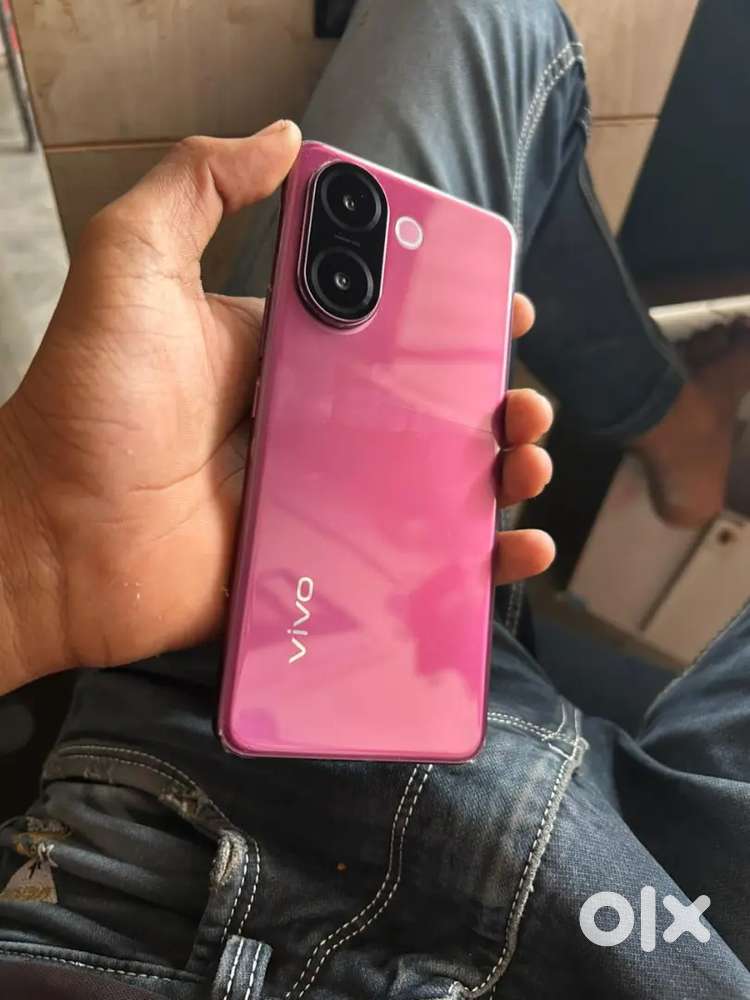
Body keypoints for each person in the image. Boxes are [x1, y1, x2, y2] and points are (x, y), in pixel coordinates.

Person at [0, 2, 748, 999]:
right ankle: (670, 420)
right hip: (680, 959)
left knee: (481, 19)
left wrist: (35, 553)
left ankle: (667, 420)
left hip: (172, 817)